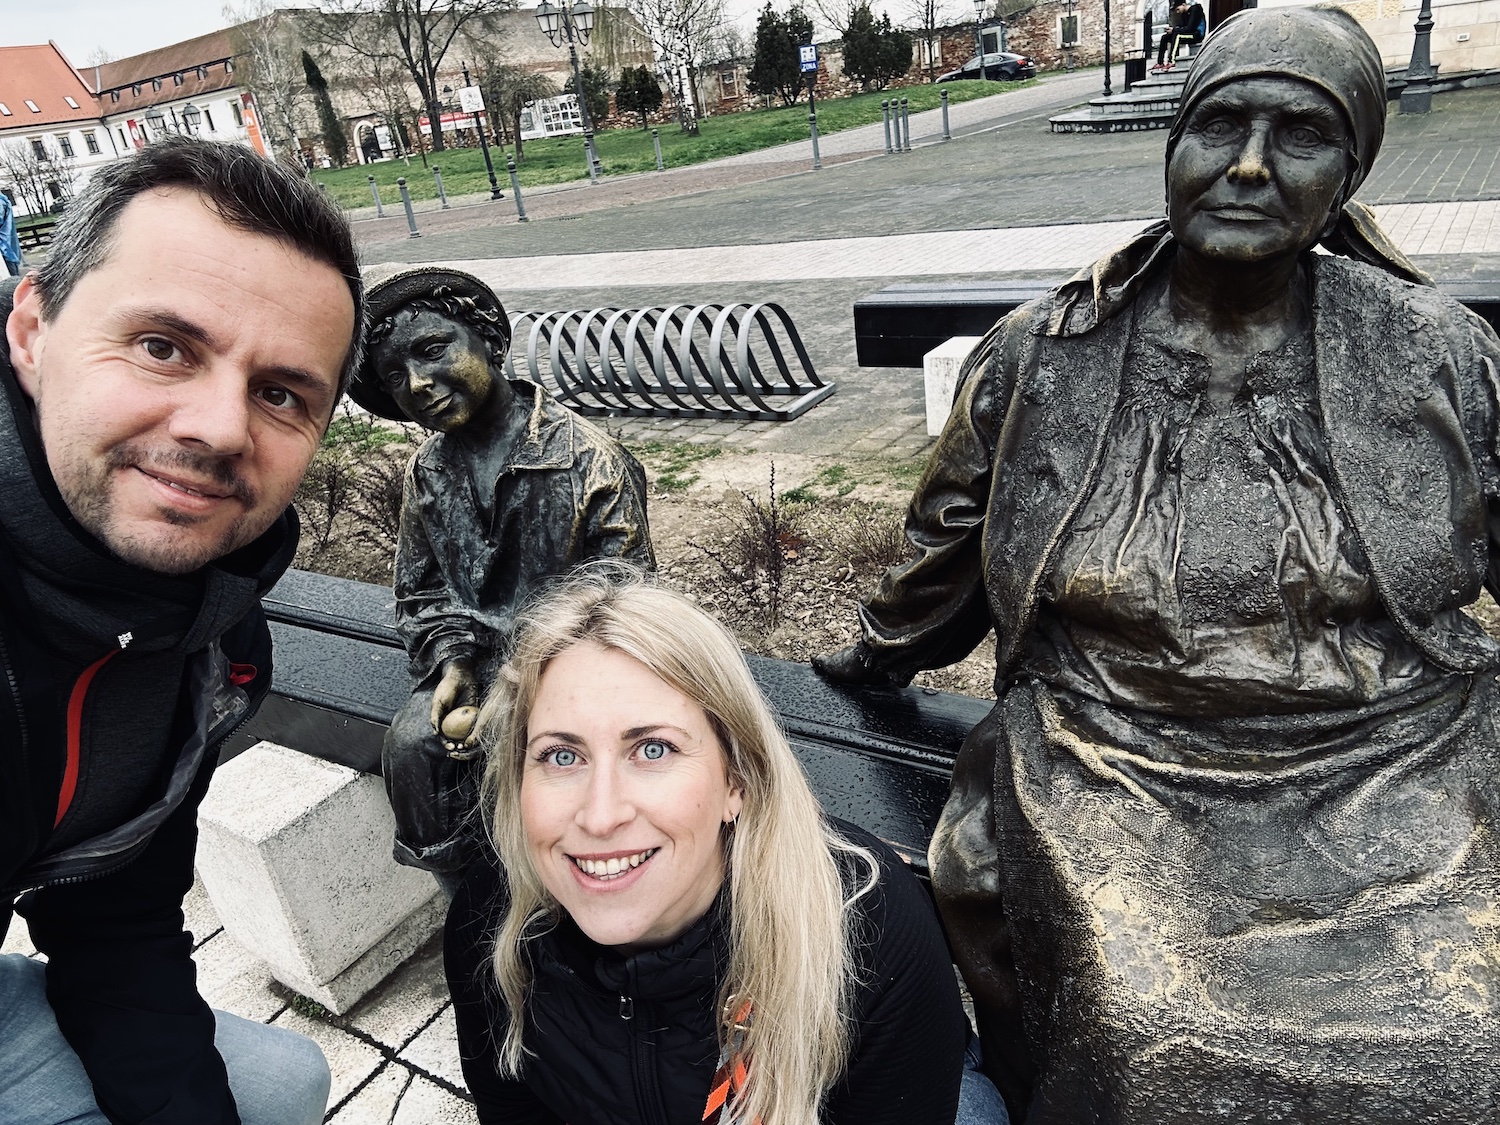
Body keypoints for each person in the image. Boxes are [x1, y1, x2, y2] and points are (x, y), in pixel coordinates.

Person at [816, 8, 1500, 1123]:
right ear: (1172, 145)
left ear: (1351, 174)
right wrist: (872, 653)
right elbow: (946, 554)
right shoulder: (1043, 357)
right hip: (1117, 760)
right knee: (1154, 1037)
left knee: (1473, 1036)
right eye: (1219, 124)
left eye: (1301, 135)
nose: (1250, 164)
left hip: (1401, 757)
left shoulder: (1439, 354)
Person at [0, 137, 363, 1125]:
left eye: (280, 393)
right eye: (164, 347)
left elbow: (114, 923)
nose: (219, 427)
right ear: (31, 331)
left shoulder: (206, 639)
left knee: (278, 1086)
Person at [445, 566, 986, 1124]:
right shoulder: (491, 922)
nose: (600, 816)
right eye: (562, 756)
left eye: (653, 750)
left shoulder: (870, 933)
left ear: (736, 780)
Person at [347, 268, 654, 891]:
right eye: (394, 376)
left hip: (573, 667)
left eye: (434, 350)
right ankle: (466, 898)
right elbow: (421, 590)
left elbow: (622, 603)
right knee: (411, 749)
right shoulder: (428, 472)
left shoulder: (588, 461)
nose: (418, 383)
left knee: (543, 762)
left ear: (488, 340)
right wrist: (454, 662)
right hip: (477, 664)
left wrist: (519, 687)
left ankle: (566, 888)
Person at [1152, 0, 1205, 69]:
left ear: (1183, 5)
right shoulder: (1184, 14)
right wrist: (1173, 30)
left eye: (1178, 9)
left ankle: (1172, 61)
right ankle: (1160, 62)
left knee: (1177, 35)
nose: (1177, 12)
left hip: (1197, 35)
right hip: (1189, 34)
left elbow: (1190, 28)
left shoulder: (1195, 10)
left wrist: (1174, 30)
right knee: (1165, 37)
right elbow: (1182, 27)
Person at [0, 189, 21, 277]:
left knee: (10, 278)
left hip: (4, 249)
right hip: (6, 247)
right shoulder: (3, 200)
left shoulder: (1, 202)